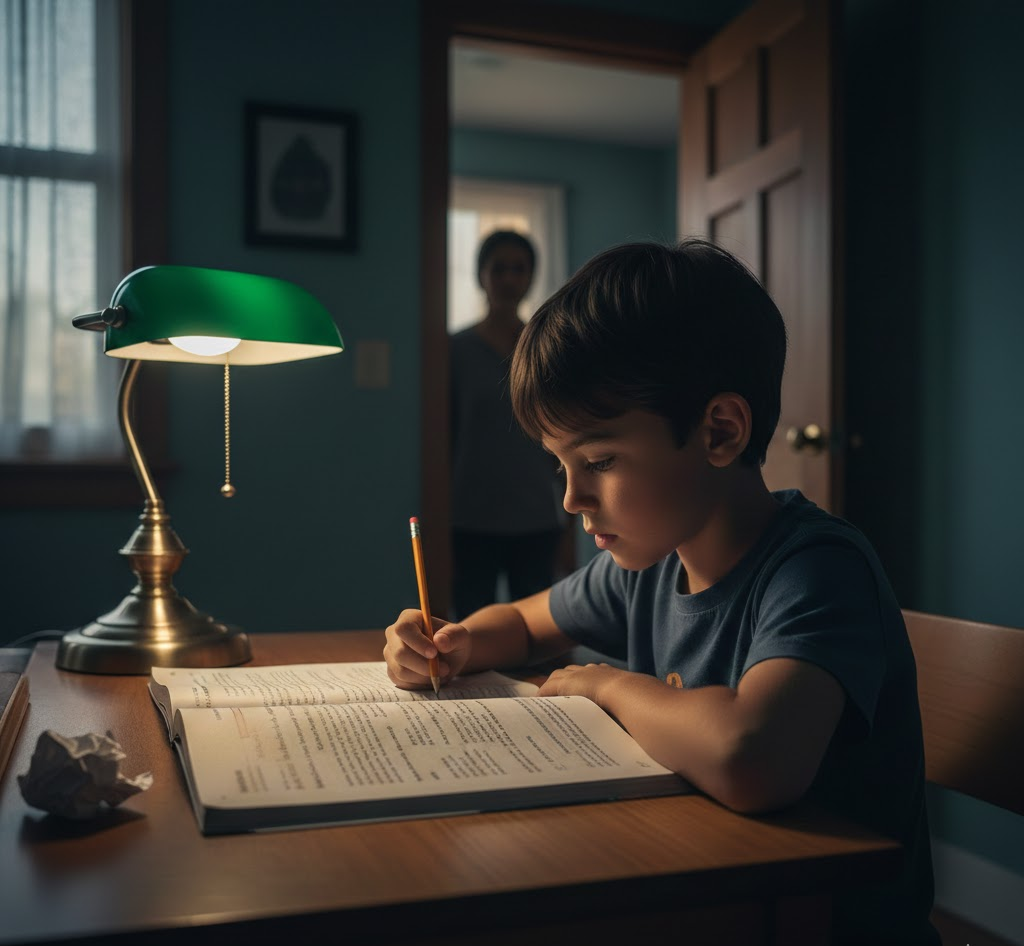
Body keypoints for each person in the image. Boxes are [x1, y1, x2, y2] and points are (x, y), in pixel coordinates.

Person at [387, 239, 937, 945]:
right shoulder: (646, 566)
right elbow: (522, 625)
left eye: (598, 460)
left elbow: (751, 757)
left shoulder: (817, 570)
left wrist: (604, 686)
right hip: (706, 892)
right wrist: (455, 642)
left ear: (719, 431)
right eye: (560, 467)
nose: (571, 499)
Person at [448, 229, 566, 619]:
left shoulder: (546, 347)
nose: (509, 278)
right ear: (481, 275)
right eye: (499, 269)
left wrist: (571, 520)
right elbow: (442, 437)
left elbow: (563, 432)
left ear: (531, 277)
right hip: (470, 516)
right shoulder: (455, 350)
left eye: (519, 269)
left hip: (536, 514)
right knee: (470, 628)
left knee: (540, 627)